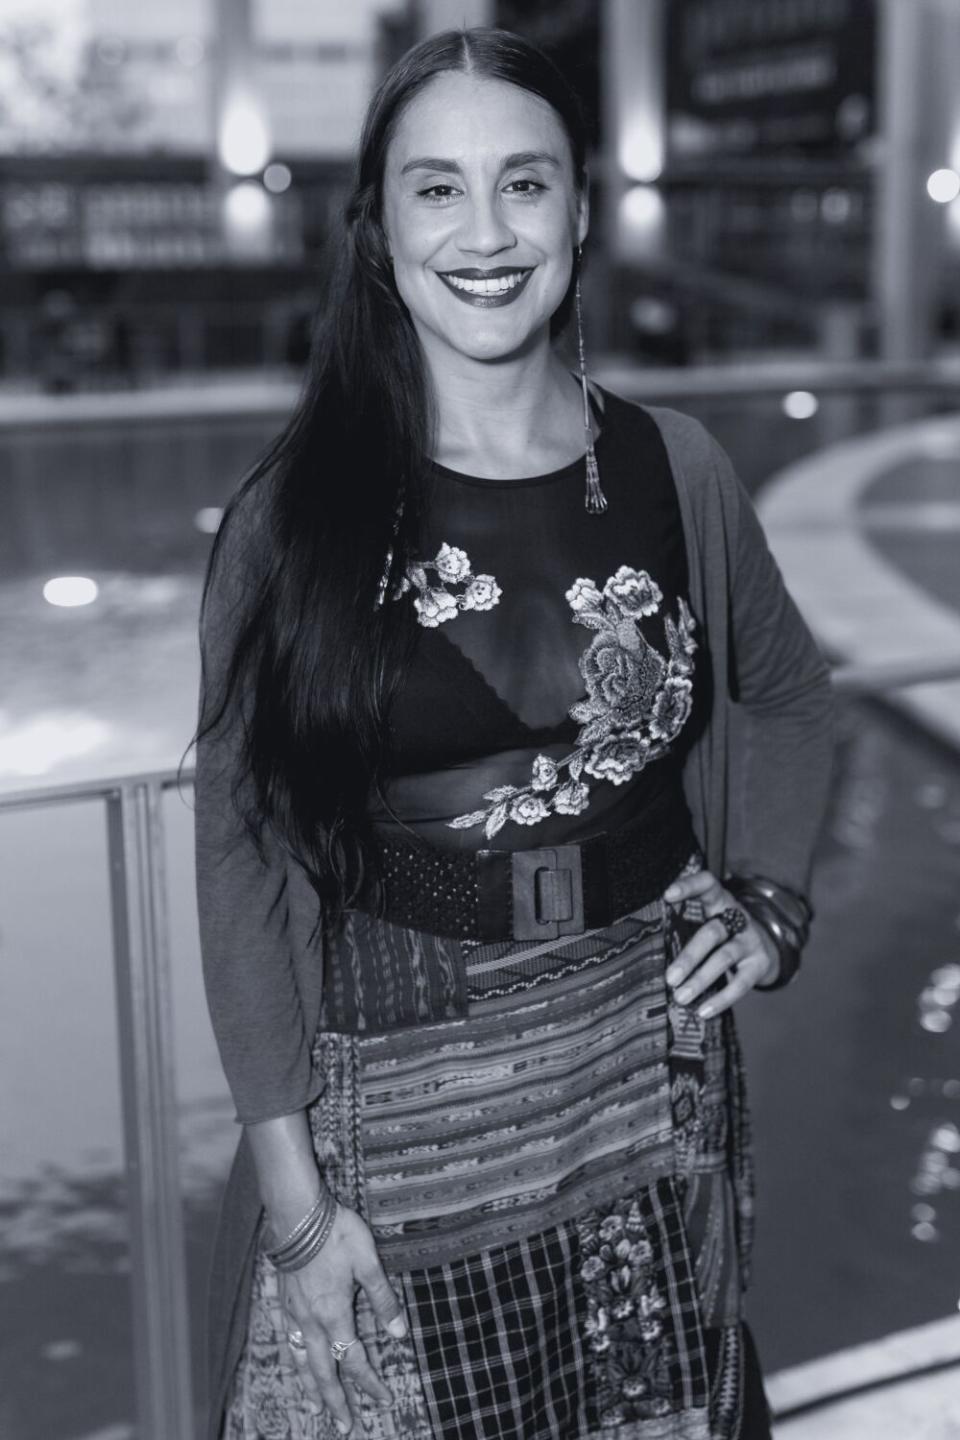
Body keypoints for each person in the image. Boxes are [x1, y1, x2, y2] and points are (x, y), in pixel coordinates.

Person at [193, 26, 835, 1440]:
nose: (485, 233)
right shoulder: (291, 525)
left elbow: (791, 694)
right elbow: (242, 863)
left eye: (525, 184)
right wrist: (296, 1210)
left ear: (581, 210)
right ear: (377, 231)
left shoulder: (681, 470)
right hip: (400, 1111)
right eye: (438, 189)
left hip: (645, 1075)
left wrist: (775, 900)